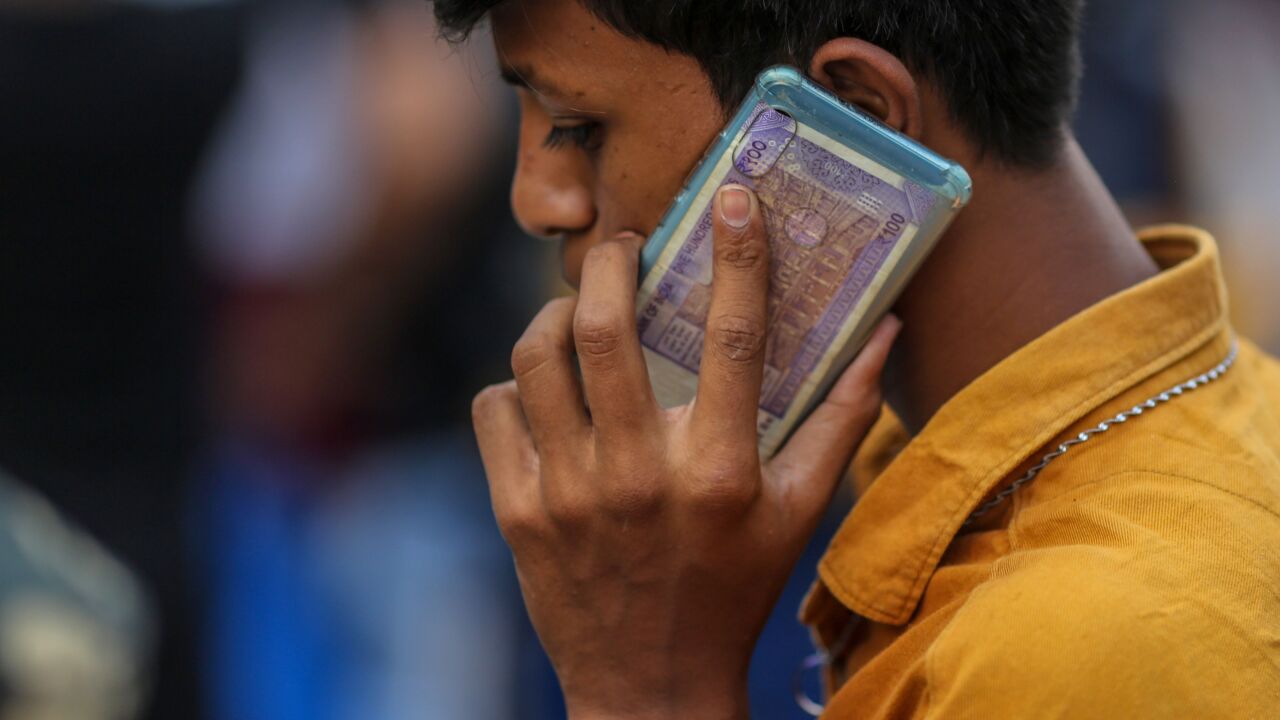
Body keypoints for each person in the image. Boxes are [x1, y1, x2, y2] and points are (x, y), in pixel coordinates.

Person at [434, 1, 1280, 717]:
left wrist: (647, 690)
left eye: (580, 127)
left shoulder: (1070, 654)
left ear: (857, 116)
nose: (537, 201)